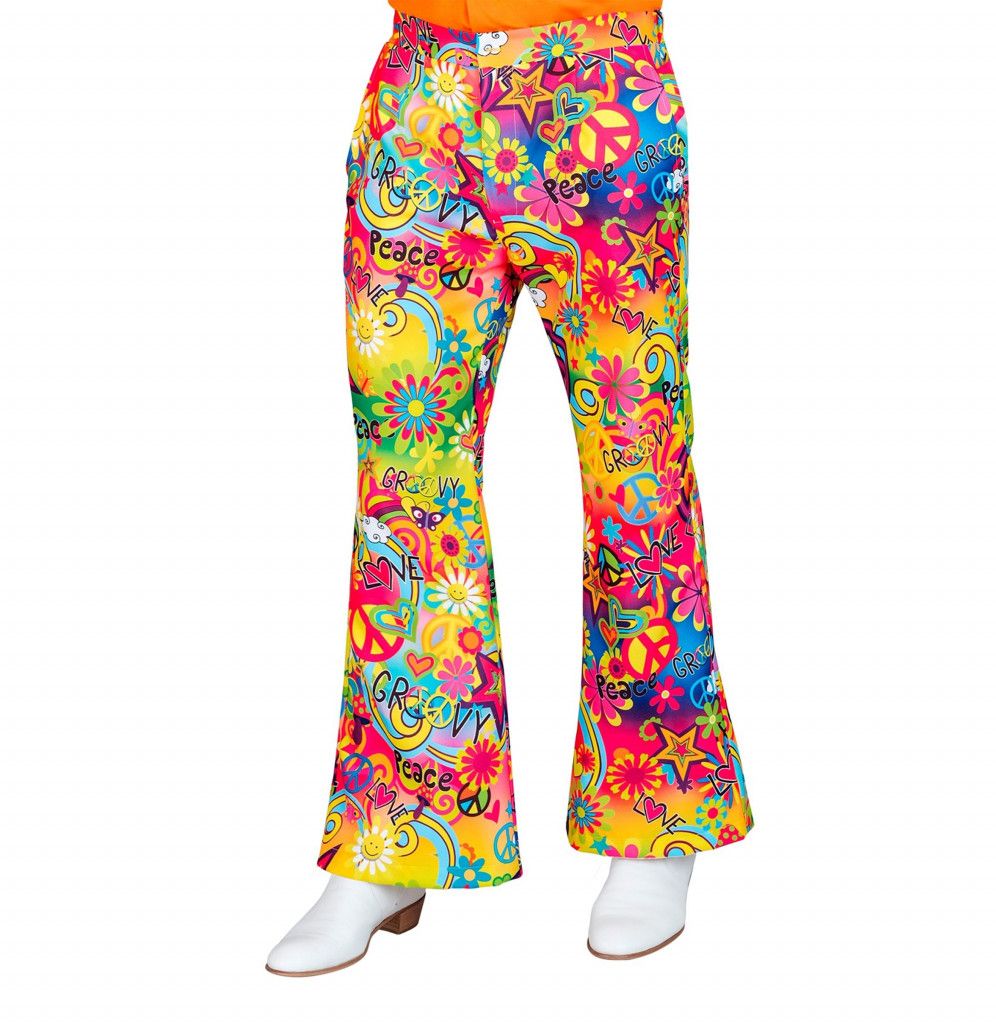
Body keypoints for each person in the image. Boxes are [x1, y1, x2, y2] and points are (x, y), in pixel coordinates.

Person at [266, 0, 754, 975]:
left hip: (598, 81)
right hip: (421, 89)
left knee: (636, 464)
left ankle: (656, 812)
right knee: (407, 482)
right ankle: (398, 832)